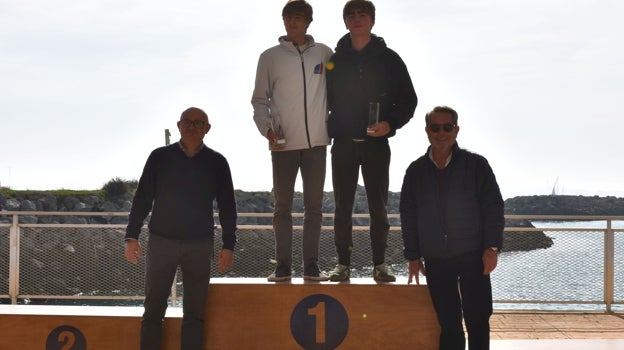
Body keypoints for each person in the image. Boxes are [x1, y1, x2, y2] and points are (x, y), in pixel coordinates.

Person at [124, 107, 237, 350]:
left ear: (207, 129)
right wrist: (131, 236)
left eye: (198, 123)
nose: (192, 127)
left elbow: (228, 206)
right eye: (187, 122)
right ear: (178, 125)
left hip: (199, 244)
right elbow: (143, 198)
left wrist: (229, 245)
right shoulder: (159, 157)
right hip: (161, 242)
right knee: (153, 310)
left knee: (195, 314)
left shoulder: (217, 162)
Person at [326, 0, 417, 282]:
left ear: (372, 20)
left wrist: (390, 124)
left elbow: (409, 100)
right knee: (343, 208)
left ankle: (380, 264)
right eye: (350, 15)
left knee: (378, 207)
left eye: (362, 14)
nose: (356, 19)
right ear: (345, 22)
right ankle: (343, 265)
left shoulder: (390, 59)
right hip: (342, 143)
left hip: (377, 145)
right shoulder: (334, 60)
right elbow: (320, 100)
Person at [399, 105, 504, 350]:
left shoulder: (476, 165)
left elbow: (493, 208)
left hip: (473, 255)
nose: (441, 133)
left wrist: (492, 247)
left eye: (447, 127)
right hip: (437, 258)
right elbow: (408, 215)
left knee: (478, 321)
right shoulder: (415, 171)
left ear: (456, 130)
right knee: (449, 324)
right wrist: (413, 256)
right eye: (435, 128)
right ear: (427, 131)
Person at [251, 0, 333, 282]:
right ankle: (282, 267)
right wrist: (267, 130)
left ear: (309, 21)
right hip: (282, 145)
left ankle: (311, 266)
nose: (292, 22)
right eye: (288, 17)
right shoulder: (269, 57)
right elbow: (260, 100)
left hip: (317, 145)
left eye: (298, 17)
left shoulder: (324, 53)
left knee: (315, 208)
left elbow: (340, 90)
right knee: (282, 208)